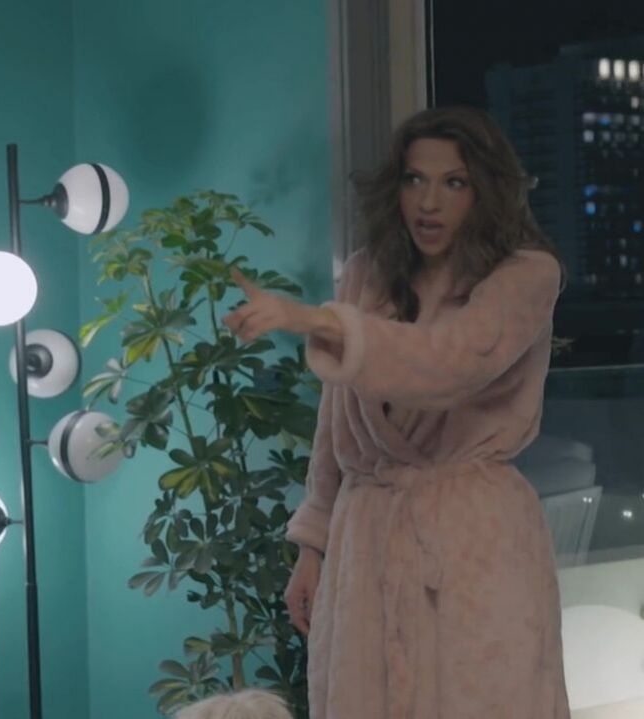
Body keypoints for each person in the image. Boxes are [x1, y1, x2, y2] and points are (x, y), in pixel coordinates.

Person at [221, 106, 570, 718]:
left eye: (454, 182)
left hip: (474, 539)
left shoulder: (527, 276)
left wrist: (314, 320)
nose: (429, 202)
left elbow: (449, 362)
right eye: (415, 179)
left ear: (486, 190)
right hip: (368, 538)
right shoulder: (368, 274)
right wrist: (312, 547)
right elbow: (335, 425)